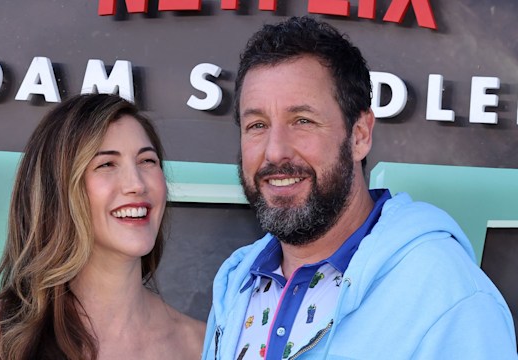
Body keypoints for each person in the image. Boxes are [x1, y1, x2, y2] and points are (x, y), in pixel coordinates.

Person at [202, 16, 517, 360]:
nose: (275, 151)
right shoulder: (237, 281)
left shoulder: (449, 298)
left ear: (360, 135)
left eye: (302, 121)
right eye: (257, 125)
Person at [0, 94, 205, 359]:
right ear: (57, 190)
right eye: (106, 164)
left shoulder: (202, 345)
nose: (137, 184)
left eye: (147, 161)